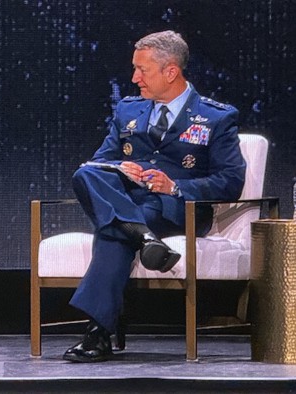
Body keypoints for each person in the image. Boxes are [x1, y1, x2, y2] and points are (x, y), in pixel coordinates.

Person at [64, 30, 246, 363]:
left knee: (113, 231)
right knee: (85, 174)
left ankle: (98, 332)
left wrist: (174, 187)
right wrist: (122, 168)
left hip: (175, 209)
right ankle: (145, 238)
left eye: (142, 70)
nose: (135, 78)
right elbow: (101, 162)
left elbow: (231, 182)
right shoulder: (128, 110)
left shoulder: (216, 117)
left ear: (171, 71)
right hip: (130, 201)